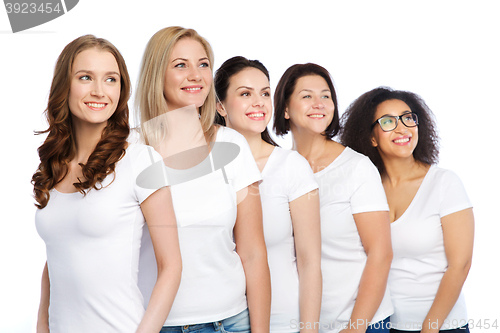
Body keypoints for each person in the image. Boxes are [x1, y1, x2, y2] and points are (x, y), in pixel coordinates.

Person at [32, 35, 182, 333]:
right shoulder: (54, 164)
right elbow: (59, 254)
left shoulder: (141, 159)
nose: (99, 91)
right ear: (65, 85)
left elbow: (172, 267)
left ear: (121, 89)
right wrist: (41, 325)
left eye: (110, 79)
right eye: (85, 77)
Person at [135, 27, 271, 333]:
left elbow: (252, 252)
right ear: (157, 74)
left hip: (231, 323)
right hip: (155, 325)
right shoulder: (129, 151)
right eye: (181, 65)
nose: (195, 75)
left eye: (203, 64)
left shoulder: (232, 146)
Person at [340, 87, 474, 333]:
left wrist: (429, 328)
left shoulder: (444, 182)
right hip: (384, 324)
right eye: (388, 121)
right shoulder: (366, 190)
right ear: (371, 138)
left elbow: (460, 264)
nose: (402, 128)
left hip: (443, 327)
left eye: (407, 118)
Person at [273, 64, 394, 333]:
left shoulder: (357, 168)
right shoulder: (278, 169)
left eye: (326, 96)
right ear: (284, 109)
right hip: (302, 325)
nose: (319, 104)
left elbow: (381, 253)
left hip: (359, 324)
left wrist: (356, 327)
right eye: (307, 96)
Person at [214, 56, 322, 332]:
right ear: (220, 106)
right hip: (218, 319)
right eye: (245, 94)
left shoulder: (291, 167)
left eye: (264, 93)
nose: (259, 102)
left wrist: (308, 329)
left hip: (282, 320)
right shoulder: (205, 168)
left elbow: (310, 262)